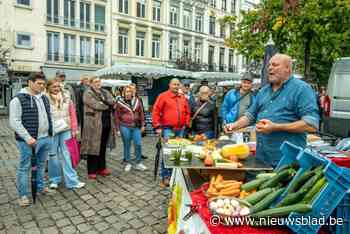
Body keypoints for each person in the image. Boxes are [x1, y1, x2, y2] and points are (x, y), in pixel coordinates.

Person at [226, 54, 319, 167]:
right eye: (269, 65)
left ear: (287, 69)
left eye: (275, 65)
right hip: (261, 159)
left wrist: (276, 127)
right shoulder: (263, 91)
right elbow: (250, 115)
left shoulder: (302, 89)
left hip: (287, 164)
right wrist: (234, 125)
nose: (270, 68)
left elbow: (311, 124)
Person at [9, 73, 53, 207]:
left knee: (40, 165)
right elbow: (14, 122)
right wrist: (28, 138)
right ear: (30, 82)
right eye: (39, 83)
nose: (42, 86)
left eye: (43, 84)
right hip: (29, 141)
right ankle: (23, 195)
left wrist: (51, 133)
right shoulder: (18, 99)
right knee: (24, 167)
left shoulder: (44, 98)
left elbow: (49, 115)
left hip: (45, 138)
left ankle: (40, 187)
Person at [46, 79, 85, 190]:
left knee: (67, 155)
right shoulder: (44, 98)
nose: (57, 88)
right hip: (52, 131)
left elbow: (72, 113)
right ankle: (54, 179)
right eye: (54, 86)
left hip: (66, 129)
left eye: (58, 86)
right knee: (53, 156)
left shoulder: (67, 97)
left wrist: (74, 129)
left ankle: (72, 181)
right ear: (48, 87)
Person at [152, 78, 191, 187]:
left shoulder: (182, 97)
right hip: (168, 129)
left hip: (180, 129)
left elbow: (188, 112)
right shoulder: (163, 96)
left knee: (178, 152)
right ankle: (166, 176)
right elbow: (155, 111)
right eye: (174, 84)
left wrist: (186, 123)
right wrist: (157, 126)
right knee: (168, 153)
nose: (176, 86)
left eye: (178, 84)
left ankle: (176, 174)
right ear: (169, 85)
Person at [81, 77, 115, 179]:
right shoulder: (88, 93)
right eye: (95, 82)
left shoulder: (105, 91)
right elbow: (95, 105)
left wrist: (106, 103)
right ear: (91, 83)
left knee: (102, 147)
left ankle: (102, 168)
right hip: (94, 125)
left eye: (99, 81)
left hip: (106, 123)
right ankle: (92, 170)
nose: (98, 83)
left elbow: (112, 101)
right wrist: (107, 105)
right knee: (93, 146)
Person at [115, 86, 147, 172]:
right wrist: (117, 129)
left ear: (132, 93)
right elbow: (117, 116)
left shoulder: (137, 101)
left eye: (129, 91)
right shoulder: (119, 102)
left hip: (136, 126)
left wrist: (143, 125)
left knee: (138, 143)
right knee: (127, 144)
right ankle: (128, 162)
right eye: (126, 92)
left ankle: (138, 163)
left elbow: (141, 114)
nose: (128, 93)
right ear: (123, 93)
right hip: (124, 126)